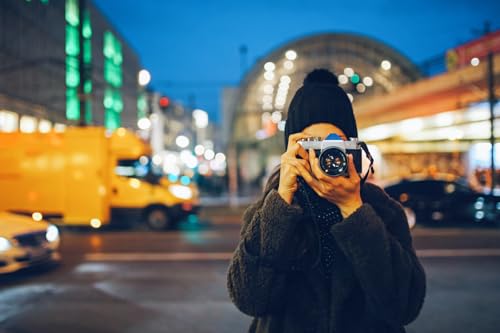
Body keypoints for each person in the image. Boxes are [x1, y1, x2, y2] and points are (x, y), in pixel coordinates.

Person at [227, 69, 426, 333]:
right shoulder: (269, 211)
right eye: (312, 146)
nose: (326, 158)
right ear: (292, 151)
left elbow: (404, 307)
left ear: (353, 150)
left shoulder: (382, 211)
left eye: (335, 146)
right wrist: (281, 204)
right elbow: (249, 300)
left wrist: (353, 210)